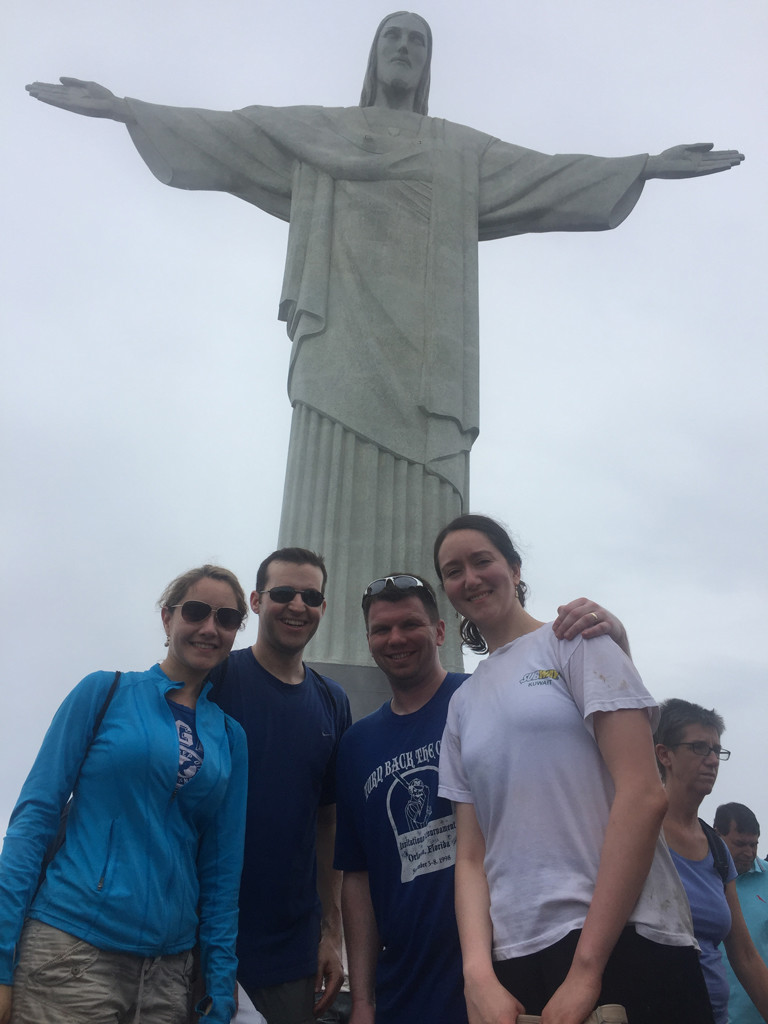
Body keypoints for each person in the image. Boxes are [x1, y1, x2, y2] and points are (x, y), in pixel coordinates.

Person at [24, 13, 744, 671]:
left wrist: (643, 166)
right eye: (393, 37)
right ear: (374, 55)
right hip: (338, 338)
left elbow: (547, 174)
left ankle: (421, 658)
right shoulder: (321, 131)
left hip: (430, 362)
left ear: (427, 63)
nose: (404, 48)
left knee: (431, 495)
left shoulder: (458, 151)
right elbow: (232, 134)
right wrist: (125, 109)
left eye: (419, 40)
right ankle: (324, 652)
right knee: (326, 476)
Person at [334, 570, 650, 1024]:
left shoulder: (485, 698)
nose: (396, 638)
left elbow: (599, 763)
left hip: (507, 973)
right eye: (381, 629)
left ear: (440, 631)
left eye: (411, 625)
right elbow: (357, 876)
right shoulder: (356, 745)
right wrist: (363, 999)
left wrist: (615, 642)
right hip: (404, 984)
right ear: (368, 639)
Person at [434, 514, 712, 1024]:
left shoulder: (577, 642)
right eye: (453, 571)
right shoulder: (462, 703)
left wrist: (586, 969)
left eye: (482, 561)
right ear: (447, 592)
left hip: (624, 940)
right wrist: (478, 977)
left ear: (514, 569)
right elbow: (471, 856)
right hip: (514, 962)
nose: (470, 578)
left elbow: (644, 793)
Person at [0, 565, 249, 1024]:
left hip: (167, 975)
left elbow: (221, 874)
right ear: (167, 618)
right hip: (70, 953)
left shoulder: (230, 737)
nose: (210, 628)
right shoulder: (104, 691)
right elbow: (33, 821)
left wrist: (220, 992)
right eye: (196, 612)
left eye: (228, 618)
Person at [209, 548, 351, 1024]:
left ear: (323, 607)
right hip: (196, 937)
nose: (297, 605)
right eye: (283, 593)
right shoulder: (217, 678)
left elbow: (329, 821)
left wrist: (330, 931)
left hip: (290, 954)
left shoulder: (333, 702)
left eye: (311, 596)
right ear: (255, 600)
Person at [654, 702, 768, 1024]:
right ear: (665, 754)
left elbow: (745, 956)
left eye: (718, 750)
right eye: (699, 747)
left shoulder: (717, 851)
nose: (713, 760)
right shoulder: (639, 833)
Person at [714, 803, 768, 1024]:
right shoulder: (702, 881)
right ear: (717, 835)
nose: (748, 853)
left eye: (753, 844)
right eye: (740, 844)